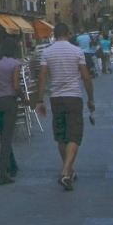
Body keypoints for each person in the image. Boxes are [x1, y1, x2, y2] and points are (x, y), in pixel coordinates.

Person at [35, 22, 95, 192]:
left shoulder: (47, 52)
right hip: (73, 97)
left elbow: (42, 77)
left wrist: (40, 100)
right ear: (68, 33)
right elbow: (86, 77)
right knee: (74, 136)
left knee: (61, 136)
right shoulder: (77, 52)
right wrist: (91, 98)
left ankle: (69, 170)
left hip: (56, 98)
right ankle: (65, 172)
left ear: (55, 34)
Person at [0, 36, 26, 185]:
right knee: (7, 138)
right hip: (9, 102)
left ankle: (12, 165)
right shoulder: (15, 63)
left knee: (4, 135)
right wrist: (24, 98)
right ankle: (2, 174)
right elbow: (16, 86)